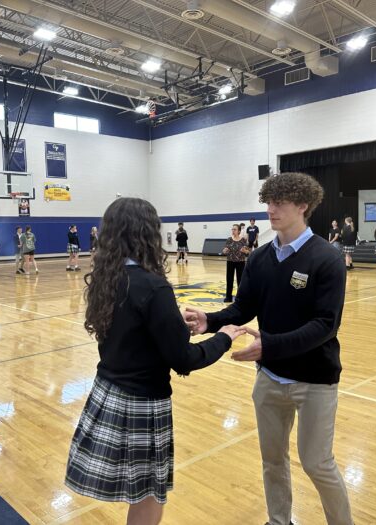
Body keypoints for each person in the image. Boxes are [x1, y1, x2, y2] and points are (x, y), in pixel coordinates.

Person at [184, 172, 354, 525]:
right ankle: (279, 521)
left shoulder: (327, 257)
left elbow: (325, 325)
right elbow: (243, 308)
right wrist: (211, 321)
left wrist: (269, 346)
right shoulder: (260, 258)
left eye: (280, 203)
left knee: (317, 464)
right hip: (270, 379)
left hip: (315, 380)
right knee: (272, 460)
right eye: (268, 202)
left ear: (303, 205)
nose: (271, 210)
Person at [65, 197, 243, 525]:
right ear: (147, 233)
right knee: (150, 493)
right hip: (142, 401)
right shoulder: (153, 286)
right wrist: (225, 337)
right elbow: (183, 360)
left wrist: (173, 324)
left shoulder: (108, 278)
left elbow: (135, 333)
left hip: (108, 392)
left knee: (143, 492)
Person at [222, 224, 250, 303]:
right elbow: (225, 250)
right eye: (232, 229)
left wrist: (245, 251)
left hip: (240, 262)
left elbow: (248, 253)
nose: (233, 231)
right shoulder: (229, 239)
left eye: (234, 229)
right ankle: (228, 297)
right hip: (230, 261)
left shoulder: (243, 240)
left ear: (239, 231)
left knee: (240, 281)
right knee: (229, 279)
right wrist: (224, 251)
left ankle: (240, 298)